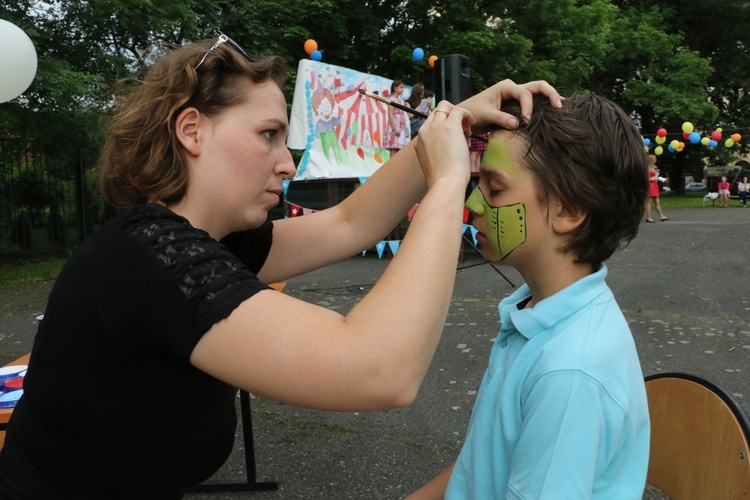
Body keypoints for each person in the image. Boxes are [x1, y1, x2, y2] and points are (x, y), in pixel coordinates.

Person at [0, 33, 561, 498]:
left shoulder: (215, 241)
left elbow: (350, 223)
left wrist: (454, 120)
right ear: (191, 131)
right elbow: (377, 371)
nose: (286, 162)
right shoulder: (149, 255)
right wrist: (446, 181)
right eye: (268, 135)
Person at [408, 93, 650, 499]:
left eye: (495, 188)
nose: (472, 203)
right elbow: (482, 462)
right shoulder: (536, 311)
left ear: (568, 211)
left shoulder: (570, 373)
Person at [382, 79, 411, 156]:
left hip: (401, 126)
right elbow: (390, 114)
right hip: (394, 125)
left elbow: (403, 116)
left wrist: (405, 130)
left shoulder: (401, 101)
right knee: (394, 148)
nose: (402, 89)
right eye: (401, 87)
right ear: (395, 88)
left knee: (399, 148)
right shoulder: (391, 100)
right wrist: (395, 128)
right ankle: (391, 167)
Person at [645, 154, 668, 222]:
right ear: (651, 160)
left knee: (657, 201)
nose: (656, 160)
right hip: (650, 185)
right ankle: (648, 217)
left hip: (654, 185)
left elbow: (655, 175)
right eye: (655, 158)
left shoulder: (654, 167)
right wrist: (652, 179)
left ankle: (661, 216)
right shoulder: (647, 168)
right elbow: (645, 178)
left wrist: (658, 179)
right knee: (649, 201)